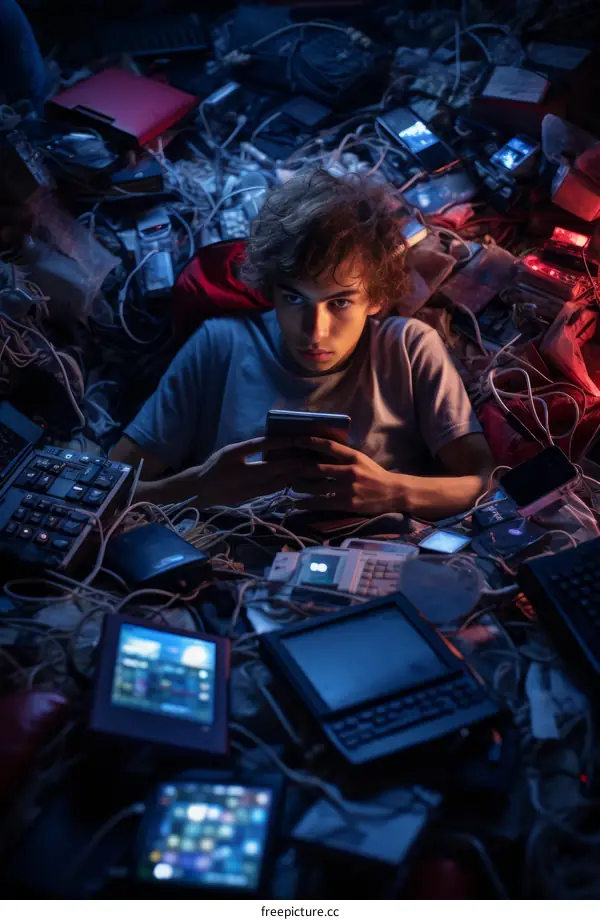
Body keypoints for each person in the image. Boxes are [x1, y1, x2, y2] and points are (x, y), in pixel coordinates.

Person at [110, 168, 494, 520]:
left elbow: (486, 481)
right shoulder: (220, 345)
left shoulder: (409, 349)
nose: (316, 332)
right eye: (295, 299)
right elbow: (106, 487)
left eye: (340, 302)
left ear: (375, 299)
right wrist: (196, 489)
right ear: (270, 292)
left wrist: (396, 492)